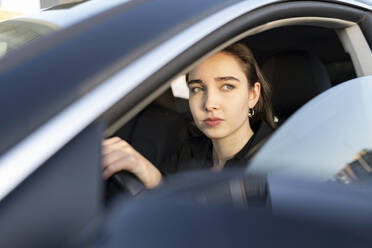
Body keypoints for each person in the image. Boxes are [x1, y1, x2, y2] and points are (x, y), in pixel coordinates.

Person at [102, 43, 276, 189]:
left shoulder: (277, 162)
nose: (209, 104)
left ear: (253, 95)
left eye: (227, 86)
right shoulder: (189, 152)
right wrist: (145, 171)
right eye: (197, 89)